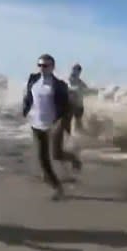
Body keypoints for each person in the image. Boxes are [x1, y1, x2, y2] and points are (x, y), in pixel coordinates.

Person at [22, 54, 81, 199]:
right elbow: (28, 97)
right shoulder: (33, 80)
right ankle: (57, 188)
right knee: (43, 159)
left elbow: (66, 107)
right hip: (37, 124)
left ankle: (73, 159)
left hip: (54, 124)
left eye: (46, 65)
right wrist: (25, 109)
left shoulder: (59, 85)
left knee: (56, 154)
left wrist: (64, 125)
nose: (42, 68)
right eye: (40, 65)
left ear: (52, 67)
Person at [68, 63, 90, 133]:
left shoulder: (81, 83)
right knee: (67, 123)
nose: (73, 71)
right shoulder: (67, 80)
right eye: (72, 69)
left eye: (75, 69)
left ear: (79, 72)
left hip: (79, 106)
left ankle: (82, 137)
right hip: (69, 105)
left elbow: (87, 90)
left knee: (78, 125)